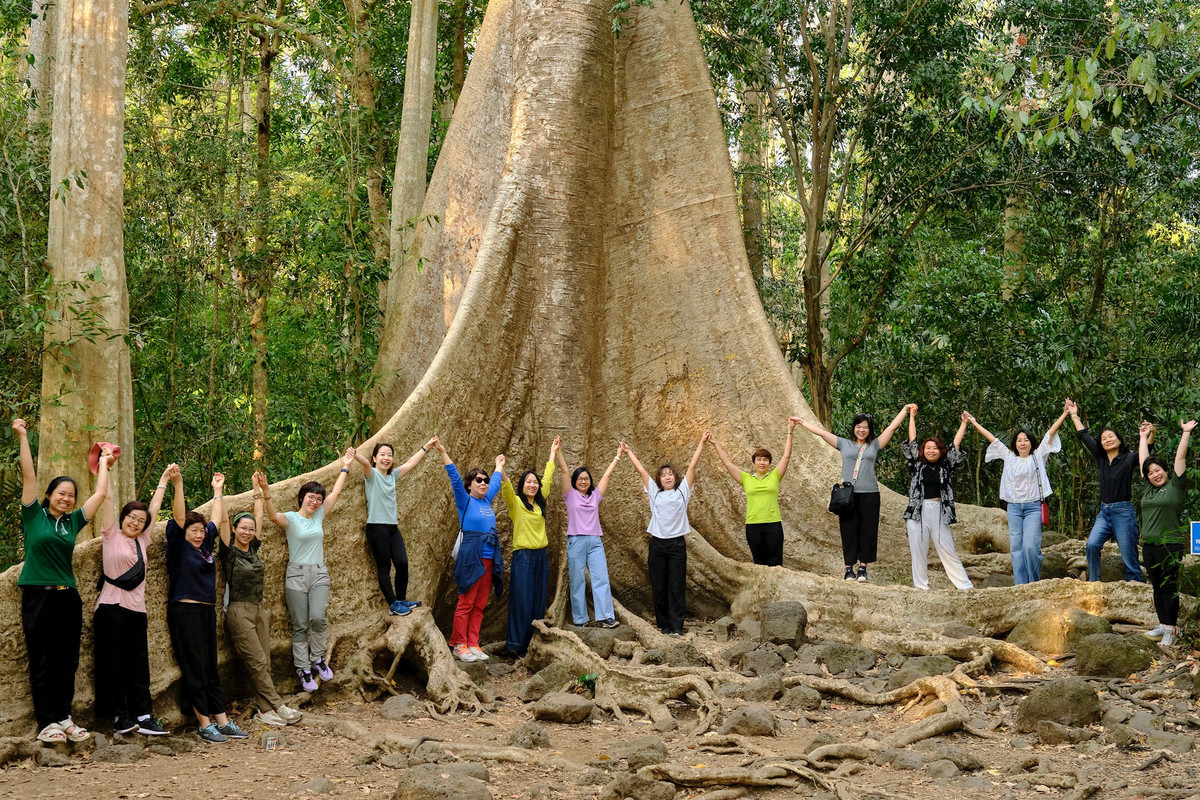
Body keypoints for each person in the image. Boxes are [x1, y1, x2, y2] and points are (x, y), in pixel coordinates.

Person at [12, 419, 109, 743]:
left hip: (68, 596)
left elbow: (100, 493)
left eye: (71, 495)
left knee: (67, 660)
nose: (67, 499)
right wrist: (23, 436)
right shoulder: (34, 516)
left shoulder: (73, 522)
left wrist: (105, 462)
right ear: (50, 495)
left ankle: (65, 718)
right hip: (38, 595)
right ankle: (47, 723)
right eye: (61, 493)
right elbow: (29, 475)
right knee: (42, 658)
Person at [261, 448, 355, 692]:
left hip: (319, 573)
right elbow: (271, 517)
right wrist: (265, 492)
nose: (315, 501)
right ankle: (303, 669)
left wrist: (345, 465)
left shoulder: (320, 515)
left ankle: (318, 658)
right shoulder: (291, 518)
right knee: (300, 624)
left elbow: (336, 491)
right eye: (311, 497)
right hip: (296, 574)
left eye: (318, 498)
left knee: (317, 618)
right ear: (302, 497)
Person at [165, 469, 248, 743]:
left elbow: (215, 518)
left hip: (205, 611)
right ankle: (203, 722)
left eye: (201, 531)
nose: (199, 535)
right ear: (184, 532)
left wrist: (218, 491)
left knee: (210, 665)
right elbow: (179, 516)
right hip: (184, 611)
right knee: (195, 666)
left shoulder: (204, 546)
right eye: (193, 531)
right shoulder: (179, 545)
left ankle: (222, 720)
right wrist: (178, 483)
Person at [93, 462, 174, 736]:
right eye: (131, 517)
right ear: (123, 516)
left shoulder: (143, 541)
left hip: (136, 611)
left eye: (140, 520)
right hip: (110, 608)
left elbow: (154, 508)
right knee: (112, 665)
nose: (135, 522)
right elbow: (106, 497)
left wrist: (164, 478)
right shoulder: (110, 534)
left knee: (138, 666)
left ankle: (144, 715)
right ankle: (118, 717)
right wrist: (105, 464)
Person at [218, 472, 303, 727]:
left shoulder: (253, 548)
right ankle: (278, 705)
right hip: (238, 611)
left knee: (263, 660)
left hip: (258, 610)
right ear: (233, 530)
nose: (247, 531)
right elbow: (222, 520)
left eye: (250, 529)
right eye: (242, 528)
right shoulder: (229, 552)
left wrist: (258, 488)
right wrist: (219, 491)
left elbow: (258, 515)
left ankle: (264, 712)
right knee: (255, 661)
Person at [796, 407, 911, 581]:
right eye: (858, 427)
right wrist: (802, 422)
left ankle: (863, 568)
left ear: (869, 430)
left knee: (868, 530)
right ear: (854, 428)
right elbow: (821, 433)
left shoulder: (875, 445)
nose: (861, 430)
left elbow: (891, 428)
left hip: (870, 494)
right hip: (847, 495)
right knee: (848, 529)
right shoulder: (844, 444)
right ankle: (849, 568)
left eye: (865, 427)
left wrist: (905, 410)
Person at [967, 403, 1070, 584]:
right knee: (1016, 548)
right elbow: (992, 438)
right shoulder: (1009, 457)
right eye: (1019, 440)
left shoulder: (1038, 456)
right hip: (1013, 507)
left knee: (1030, 547)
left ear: (1031, 442)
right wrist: (974, 423)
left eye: (1026, 440)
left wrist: (1065, 414)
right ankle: (1020, 585)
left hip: (1033, 507)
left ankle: (1033, 582)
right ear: (1015, 443)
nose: (1022, 443)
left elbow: (1050, 434)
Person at [620, 437, 705, 635]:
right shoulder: (655, 493)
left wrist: (700, 442)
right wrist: (628, 451)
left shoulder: (682, 492)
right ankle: (664, 625)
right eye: (663, 475)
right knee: (659, 585)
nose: (667, 477)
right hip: (657, 544)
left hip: (677, 545)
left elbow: (692, 466)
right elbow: (641, 471)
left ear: (676, 478)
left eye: (670, 475)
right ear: (659, 479)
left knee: (676, 586)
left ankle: (676, 626)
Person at [352, 435, 438, 616]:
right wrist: (355, 454)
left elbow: (410, 464)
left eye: (389, 455)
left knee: (402, 562)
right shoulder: (372, 475)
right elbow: (365, 465)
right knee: (384, 567)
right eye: (382, 454)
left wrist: (427, 446)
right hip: (376, 527)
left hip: (392, 527)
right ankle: (392, 605)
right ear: (375, 458)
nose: (386, 458)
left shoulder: (392, 476)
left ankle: (401, 599)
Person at [436, 439, 505, 662]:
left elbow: (496, 481)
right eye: (479, 480)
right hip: (471, 555)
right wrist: (443, 451)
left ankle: (473, 642)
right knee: (466, 600)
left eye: (485, 480)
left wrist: (499, 466)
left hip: (488, 557)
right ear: (470, 485)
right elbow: (454, 477)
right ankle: (459, 643)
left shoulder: (487, 499)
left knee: (480, 602)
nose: (484, 483)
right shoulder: (465, 501)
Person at [1066, 398, 1141, 581]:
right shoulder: (1101, 458)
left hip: (1123, 512)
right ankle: (1094, 582)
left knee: (1129, 555)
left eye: (1111, 436)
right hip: (1104, 511)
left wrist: (1149, 435)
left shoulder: (1129, 458)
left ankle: (1136, 586)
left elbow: (1146, 452)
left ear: (1119, 440)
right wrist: (1074, 415)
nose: (1107, 439)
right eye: (1103, 438)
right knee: (1091, 545)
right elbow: (1084, 435)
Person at [705, 419, 796, 566]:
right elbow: (728, 464)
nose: (761, 462)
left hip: (773, 524)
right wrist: (715, 444)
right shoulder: (746, 478)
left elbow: (786, 456)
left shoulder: (775, 476)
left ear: (769, 463)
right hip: (753, 526)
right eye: (759, 460)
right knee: (759, 563)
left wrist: (790, 431)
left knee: (776, 563)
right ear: (754, 463)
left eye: (765, 460)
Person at [500, 437, 560, 656]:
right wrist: (501, 469)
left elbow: (549, 479)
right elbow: (506, 488)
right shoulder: (516, 504)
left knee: (538, 599)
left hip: (541, 555)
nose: (533, 484)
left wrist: (553, 452)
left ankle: (534, 641)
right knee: (522, 600)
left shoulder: (540, 503)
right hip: (523, 556)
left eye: (535, 482)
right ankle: (516, 645)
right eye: (529, 482)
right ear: (522, 485)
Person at [901, 408, 974, 590]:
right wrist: (911, 416)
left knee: (948, 550)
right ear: (923, 451)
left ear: (940, 451)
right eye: (928, 448)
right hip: (917, 512)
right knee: (918, 551)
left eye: (935, 448)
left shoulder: (945, 466)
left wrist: (964, 423)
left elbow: (955, 446)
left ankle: (965, 586)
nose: (931, 451)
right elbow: (912, 442)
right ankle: (921, 587)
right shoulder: (917, 465)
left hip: (939, 511)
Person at [1138, 419, 1194, 647]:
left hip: (1170, 545)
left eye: (1158, 470)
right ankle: (1163, 624)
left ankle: (1171, 629)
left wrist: (1186, 432)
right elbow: (1143, 461)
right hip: (1149, 545)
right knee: (1157, 587)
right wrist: (1143, 437)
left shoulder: (1176, 487)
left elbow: (1180, 458)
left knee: (1169, 587)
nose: (1154, 474)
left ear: (1166, 471)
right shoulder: (1149, 489)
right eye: (1150, 473)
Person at [555, 444, 622, 628]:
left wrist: (617, 456)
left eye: (586, 479)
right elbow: (564, 471)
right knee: (577, 581)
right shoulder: (570, 495)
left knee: (601, 578)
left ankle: (606, 617)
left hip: (595, 542)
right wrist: (559, 451)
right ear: (575, 481)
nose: (583, 481)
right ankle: (580, 619)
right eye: (580, 478)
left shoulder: (595, 496)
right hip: (576, 540)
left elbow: (607, 476)